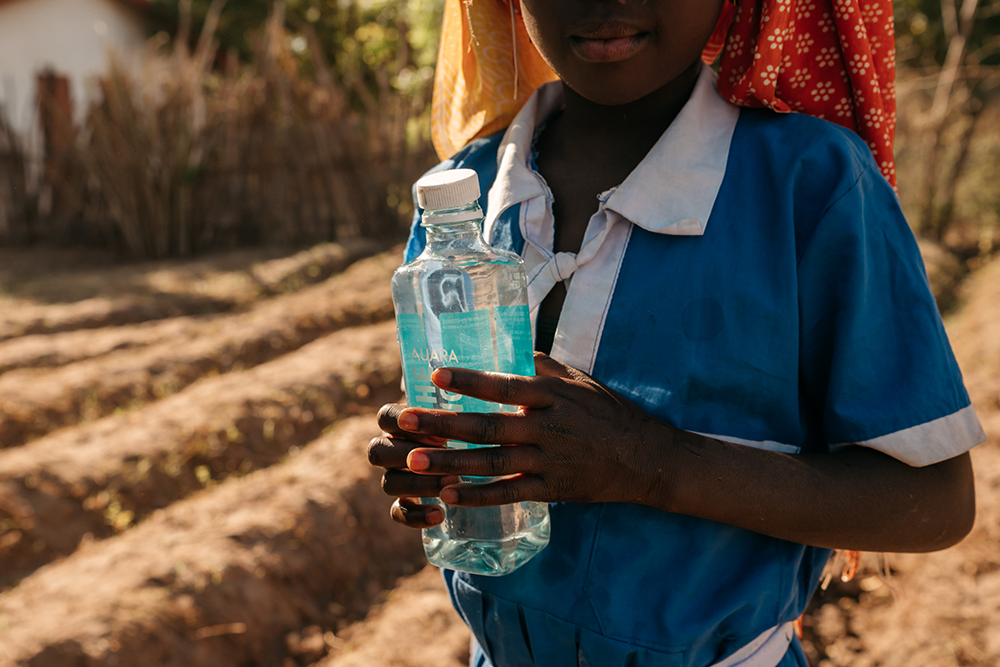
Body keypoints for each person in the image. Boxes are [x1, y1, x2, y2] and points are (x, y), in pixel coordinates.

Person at [367, 1, 987, 665]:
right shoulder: (465, 196)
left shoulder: (811, 183)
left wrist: (651, 461)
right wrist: (438, 469)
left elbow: (937, 500)